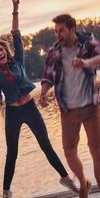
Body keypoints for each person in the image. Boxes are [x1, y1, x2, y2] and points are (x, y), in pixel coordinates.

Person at [0, 0, 78, 197]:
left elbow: (16, 35)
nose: (0, 52)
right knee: (12, 154)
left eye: (1, 49)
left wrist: (15, 10)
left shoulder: (17, 60)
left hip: (30, 108)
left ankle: (65, 178)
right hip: (13, 113)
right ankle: (6, 192)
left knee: (46, 146)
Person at [40, 13, 100, 198]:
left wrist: (85, 62)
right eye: (56, 31)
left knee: (97, 151)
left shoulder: (88, 42)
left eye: (62, 30)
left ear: (72, 29)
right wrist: (43, 92)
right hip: (68, 110)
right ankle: (83, 183)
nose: (58, 35)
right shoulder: (54, 51)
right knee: (69, 152)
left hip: (91, 106)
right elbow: (48, 76)